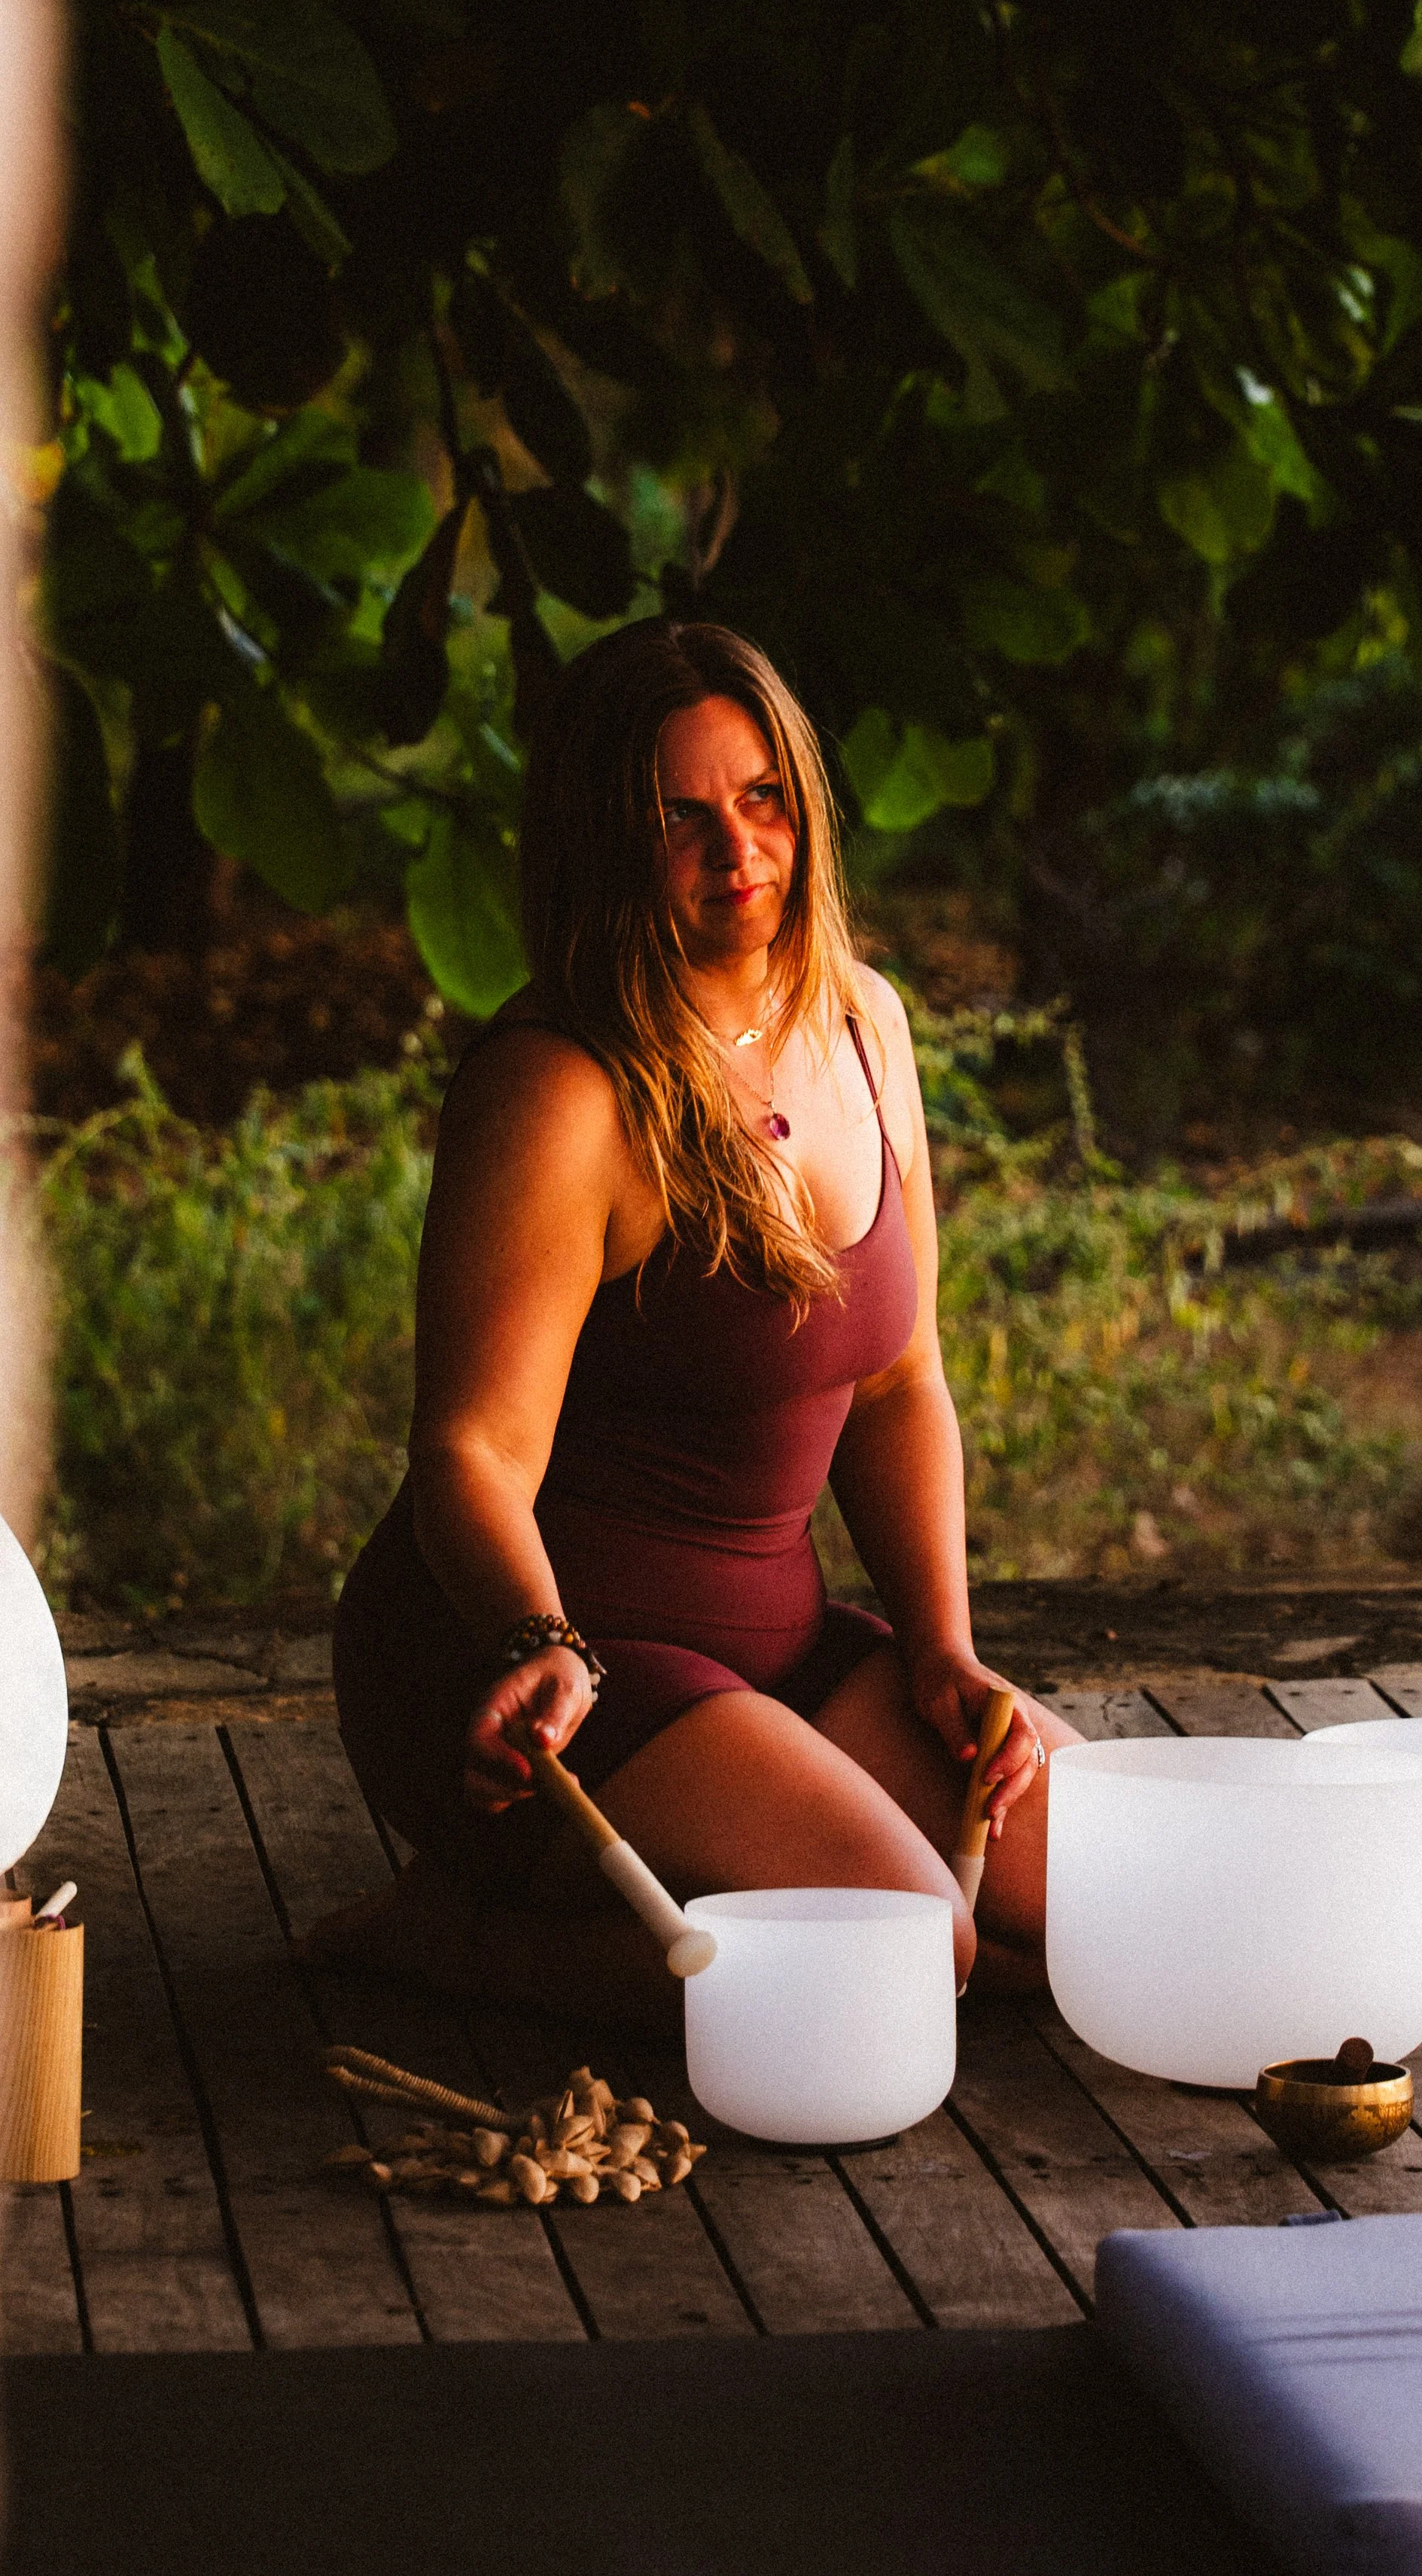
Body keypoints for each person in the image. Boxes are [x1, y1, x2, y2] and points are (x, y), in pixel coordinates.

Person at [315, 617, 1079, 2018]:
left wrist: (939, 1651)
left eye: (762, 798)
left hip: (775, 1649)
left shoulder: (864, 1021)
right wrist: (538, 1641)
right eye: (679, 818)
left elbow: (901, 1381)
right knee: (911, 1958)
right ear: (603, 845)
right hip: (545, 1665)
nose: (739, 854)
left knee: (1109, 1880)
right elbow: (470, 1452)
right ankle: (449, 1935)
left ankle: (765, 1847)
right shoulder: (560, 1091)